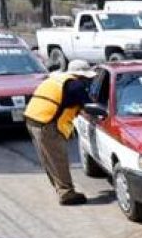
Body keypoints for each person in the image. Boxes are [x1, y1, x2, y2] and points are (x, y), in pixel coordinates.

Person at [23, 59, 97, 205]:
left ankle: (60, 189)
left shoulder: (56, 79)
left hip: (32, 119)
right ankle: (67, 194)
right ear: (81, 76)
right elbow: (89, 109)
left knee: (48, 159)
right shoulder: (76, 86)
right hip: (46, 123)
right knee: (58, 159)